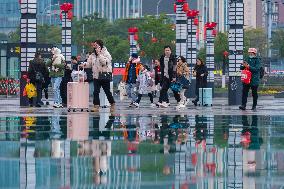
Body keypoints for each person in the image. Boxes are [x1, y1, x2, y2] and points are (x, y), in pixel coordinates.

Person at [84, 39, 115, 112]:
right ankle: (96, 106)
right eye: (94, 45)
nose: (95, 47)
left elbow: (105, 62)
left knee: (107, 91)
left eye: (96, 45)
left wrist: (99, 54)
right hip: (96, 76)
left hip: (104, 75)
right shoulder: (92, 54)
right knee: (96, 91)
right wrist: (84, 64)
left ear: (100, 45)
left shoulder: (106, 53)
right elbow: (89, 64)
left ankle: (112, 104)